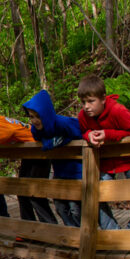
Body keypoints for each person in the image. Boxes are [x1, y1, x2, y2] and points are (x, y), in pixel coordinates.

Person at [77, 75, 130, 230]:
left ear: (103, 99)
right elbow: (81, 131)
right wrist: (88, 135)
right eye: (83, 102)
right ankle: (113, 232)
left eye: (91, 101)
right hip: (106, 162)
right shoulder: (83, 116)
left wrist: (107, 134)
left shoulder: (118, 110)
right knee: (95, 195)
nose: (86, 106)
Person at [23, 90, 83, 227]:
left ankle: (80, 235)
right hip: (60, 171)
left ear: (45, 114)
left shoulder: (63, 123)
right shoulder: (36, 129)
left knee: (75, 207)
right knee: (60, 205)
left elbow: (81, 132)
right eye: (31, 116)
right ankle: (71, 231)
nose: (34, 120)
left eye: (37, 116)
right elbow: (38, 138)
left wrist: (56, 142)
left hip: (76, 170)